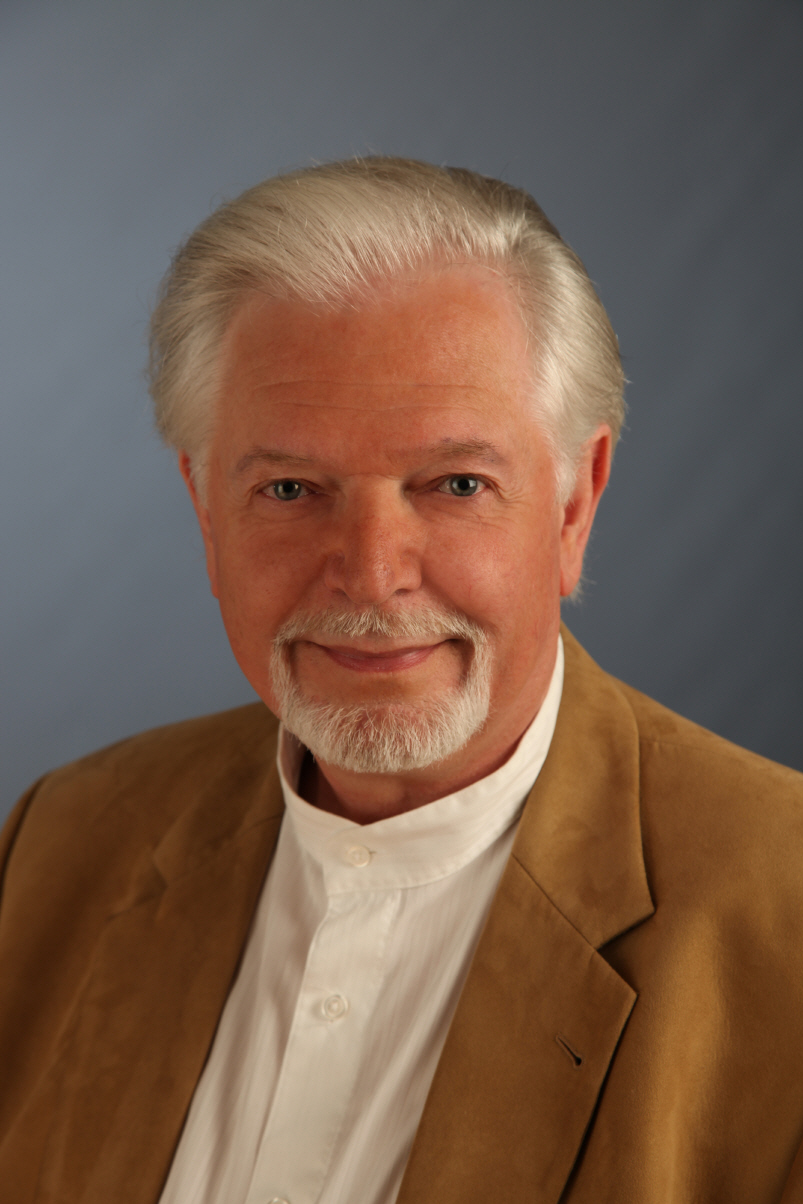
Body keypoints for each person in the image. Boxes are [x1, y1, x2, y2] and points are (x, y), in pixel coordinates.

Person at [1, 157, 801, 1204]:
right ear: (205, 509)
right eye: (291, 488)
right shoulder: (58, 848)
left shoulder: (781, 919)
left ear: (573, 506)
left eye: (455, 484)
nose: (372, 573)